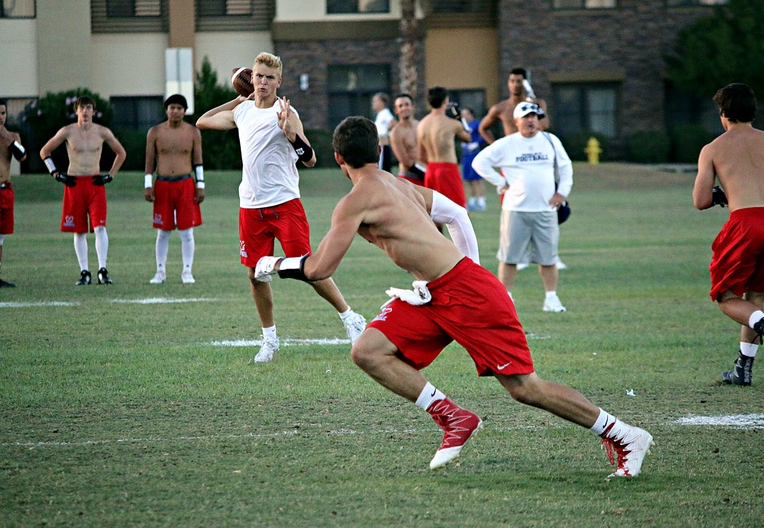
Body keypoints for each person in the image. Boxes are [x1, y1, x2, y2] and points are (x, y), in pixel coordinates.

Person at [253, 115, 652, 477]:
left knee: (525, 388)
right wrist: (466, 269)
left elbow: (320, 268)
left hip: (464, 291)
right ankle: (453, 418)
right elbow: (458, 214)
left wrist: (274, 264)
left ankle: (625, 434)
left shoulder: (355, 201)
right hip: (438, 291)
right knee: (367, 350)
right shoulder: (401, 185)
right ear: (379, 149)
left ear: (339, 159)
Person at [195, 52, 365, 363]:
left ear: (279, 82)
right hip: (250, 206)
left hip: (285, 204)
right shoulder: (243, 111)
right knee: (254, 276)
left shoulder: (286, 112)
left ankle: (350, 317)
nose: (262, 82)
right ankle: (269, 340)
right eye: (258, 76)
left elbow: (310, 159)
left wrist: (290, 134)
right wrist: (237, 100)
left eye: (269, 78)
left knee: (309, 270)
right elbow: (202, 121)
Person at [694, 82, 764, 386]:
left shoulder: (713, 148)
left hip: (745, 224)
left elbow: (700, 200)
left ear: (724, 113)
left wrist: (722, 195)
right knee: (756, 295)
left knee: (726, 296)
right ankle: (743, 368)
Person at [472, 102, 571, 312]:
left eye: (534, 116)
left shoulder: (550, 141)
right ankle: (505, 298)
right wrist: (500, 182)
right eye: (526, 117)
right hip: (515, 209)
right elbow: (479, 162)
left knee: (548, 257)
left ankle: (551, 298)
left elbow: (565, 167)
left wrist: (562, 192)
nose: (531, 120)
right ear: (516, 121)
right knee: (509, 257)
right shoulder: (507, 144)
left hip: (545, 210)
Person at [40, 96, 126, 285]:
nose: (85, 111)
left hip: (95, 184)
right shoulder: (68, 131)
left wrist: (111, 175)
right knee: (78, 230)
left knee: (100, 226)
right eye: (82, 108)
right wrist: (55, 173)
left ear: (94, 111)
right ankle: (84, 271)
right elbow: (44, 151)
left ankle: (102, 270)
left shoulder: (102, 132)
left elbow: (121, 153)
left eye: (88, 108)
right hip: (74, 183)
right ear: (76, 110)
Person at [144, 94, 204, 284]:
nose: (175, 111)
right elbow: (150, 161)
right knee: (163, 231)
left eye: (179, 108)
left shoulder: (193, 132)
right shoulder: (155, 132)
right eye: (172, 108)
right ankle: (160, 271)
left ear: (184, 111)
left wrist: (200, 185)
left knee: (187, 231)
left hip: (185, 184)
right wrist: (148, 184)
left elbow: (198, 161)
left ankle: (187, 271)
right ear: (166, 110)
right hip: (162, 184)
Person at [417, 86, 471, 211]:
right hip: (448, 169)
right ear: (445, 101)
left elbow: (420, 155)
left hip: (430, 170)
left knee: (433, 212)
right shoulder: (453, 124)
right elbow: (468, 138)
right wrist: (460, 118)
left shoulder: (421, 124)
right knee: (460, 210)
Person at [478, 67, 549, 144]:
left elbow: (544, 125)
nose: (515, 85)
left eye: (519, 81)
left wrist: (535, 106)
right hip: (512, 150)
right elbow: (482, 128)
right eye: (512, 81)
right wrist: (495, 147)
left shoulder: (537, 104)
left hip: (533, 148)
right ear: (508, 83)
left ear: (525, 83)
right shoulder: (500, 108)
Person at [0, 98, 27, 288]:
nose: (0, 117)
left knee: (1, 237)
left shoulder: (12, 137)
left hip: (4, 190)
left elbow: (22, 156)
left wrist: (7, 138)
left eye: (2, 113)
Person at [389, 93, 425, 186]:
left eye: (407, 104)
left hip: (426, 174)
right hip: (409, 178)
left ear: (412, 107)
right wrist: (426, 174)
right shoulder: (396, 133)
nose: (404, 108)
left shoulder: (420, 125)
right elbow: (405, 161)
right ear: (396, 110)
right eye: (400, 106)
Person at [459, 106, 487, 211]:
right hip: (466, 155)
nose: (464, 116)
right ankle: (472, 201)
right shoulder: (462, 126)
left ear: (471, 114)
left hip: (475, 154)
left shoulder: (477, 124)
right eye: (463, 114)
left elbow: (484, 135)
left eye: (466, 114)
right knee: (469, 179)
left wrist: (477, 144)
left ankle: (481, 201)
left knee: (478, 179)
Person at [372, 92, 396, 173]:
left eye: (375, 101)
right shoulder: (380, 115)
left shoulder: (385, 112)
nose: (373, 103)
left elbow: (393, 122)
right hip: (379, 146)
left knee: (382, 170)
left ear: (382, 102)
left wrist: (384, 133)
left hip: (383, 146)